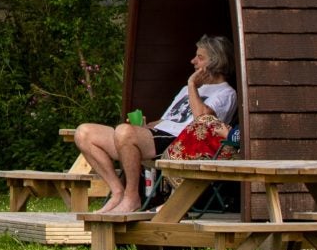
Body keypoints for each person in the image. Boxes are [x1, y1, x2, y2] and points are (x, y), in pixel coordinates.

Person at [71, 35, 235, 216]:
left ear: (216, 62)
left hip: (181, 143)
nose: (193, 61)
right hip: (159, 135)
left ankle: (132, 197)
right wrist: (142, 126)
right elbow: (166, 120)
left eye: (200, 57)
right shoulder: (191, 88)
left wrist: (191, 85)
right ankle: (118, 193)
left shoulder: (226, 93)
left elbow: (201, 120)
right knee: (84, 133)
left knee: (124, 132)